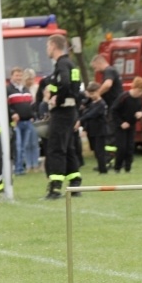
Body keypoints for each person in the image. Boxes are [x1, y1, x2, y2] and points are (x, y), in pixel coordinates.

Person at [43, 34, 82, 199]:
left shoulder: (61, 64)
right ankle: (75, 184)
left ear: (53, 45)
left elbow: (65, 84)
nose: (47, 49)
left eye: (47, 46)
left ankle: (55, 188)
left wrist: (57, 99)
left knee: (56, 148)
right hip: (70, 111)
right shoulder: (71, 64)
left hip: (62, 112)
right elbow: (76, 88)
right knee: (69, 147)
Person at [90, 54, 123, 168]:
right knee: (116, 135)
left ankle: (107, 161)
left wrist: (97, 94)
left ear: (99, 62)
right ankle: (118, 161)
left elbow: (108, 84)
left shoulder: (108, 71)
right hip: (116, 107)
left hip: (115, 108)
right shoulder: (112, 71)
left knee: (110, 135)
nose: (96, 70)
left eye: (95, 67)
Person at [110, 76, 142, 174]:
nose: (140, 93)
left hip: (131, 126)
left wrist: (139, 115)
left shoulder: (139, 99)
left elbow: (139, 111)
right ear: (134, 87)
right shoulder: (124, 97)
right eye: (139, 90)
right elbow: (113, 111)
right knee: (121, 147)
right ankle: (117, 168)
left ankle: (128, 168)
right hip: (120, 126)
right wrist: (121, 123)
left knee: (130, 147)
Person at [7, 66, 36, 174]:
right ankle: (18, 168)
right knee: (18, 145)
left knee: (24, 146)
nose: (18, 77)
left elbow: (31, 104)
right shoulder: (8, 89)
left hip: (27, 121)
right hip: (16, 122)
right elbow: (6, 105)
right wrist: (12, 113)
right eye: (16, 75)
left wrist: (33, 115)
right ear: (12, 76)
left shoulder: (25, 89)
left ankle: (21, 167)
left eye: (20, 75)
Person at [75, 82, 108, 174]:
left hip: (100, 131)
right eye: (90, 94)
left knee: (100, 151)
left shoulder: (101, 104)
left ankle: (103, 170)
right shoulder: (91, 103)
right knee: (95, 151)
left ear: (98, 91)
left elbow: (91, 114)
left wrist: (80, 120)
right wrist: (85, 128)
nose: (92, 96)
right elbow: (86, 114)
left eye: (93, 93)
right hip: (92, 130)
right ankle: (101, 167)